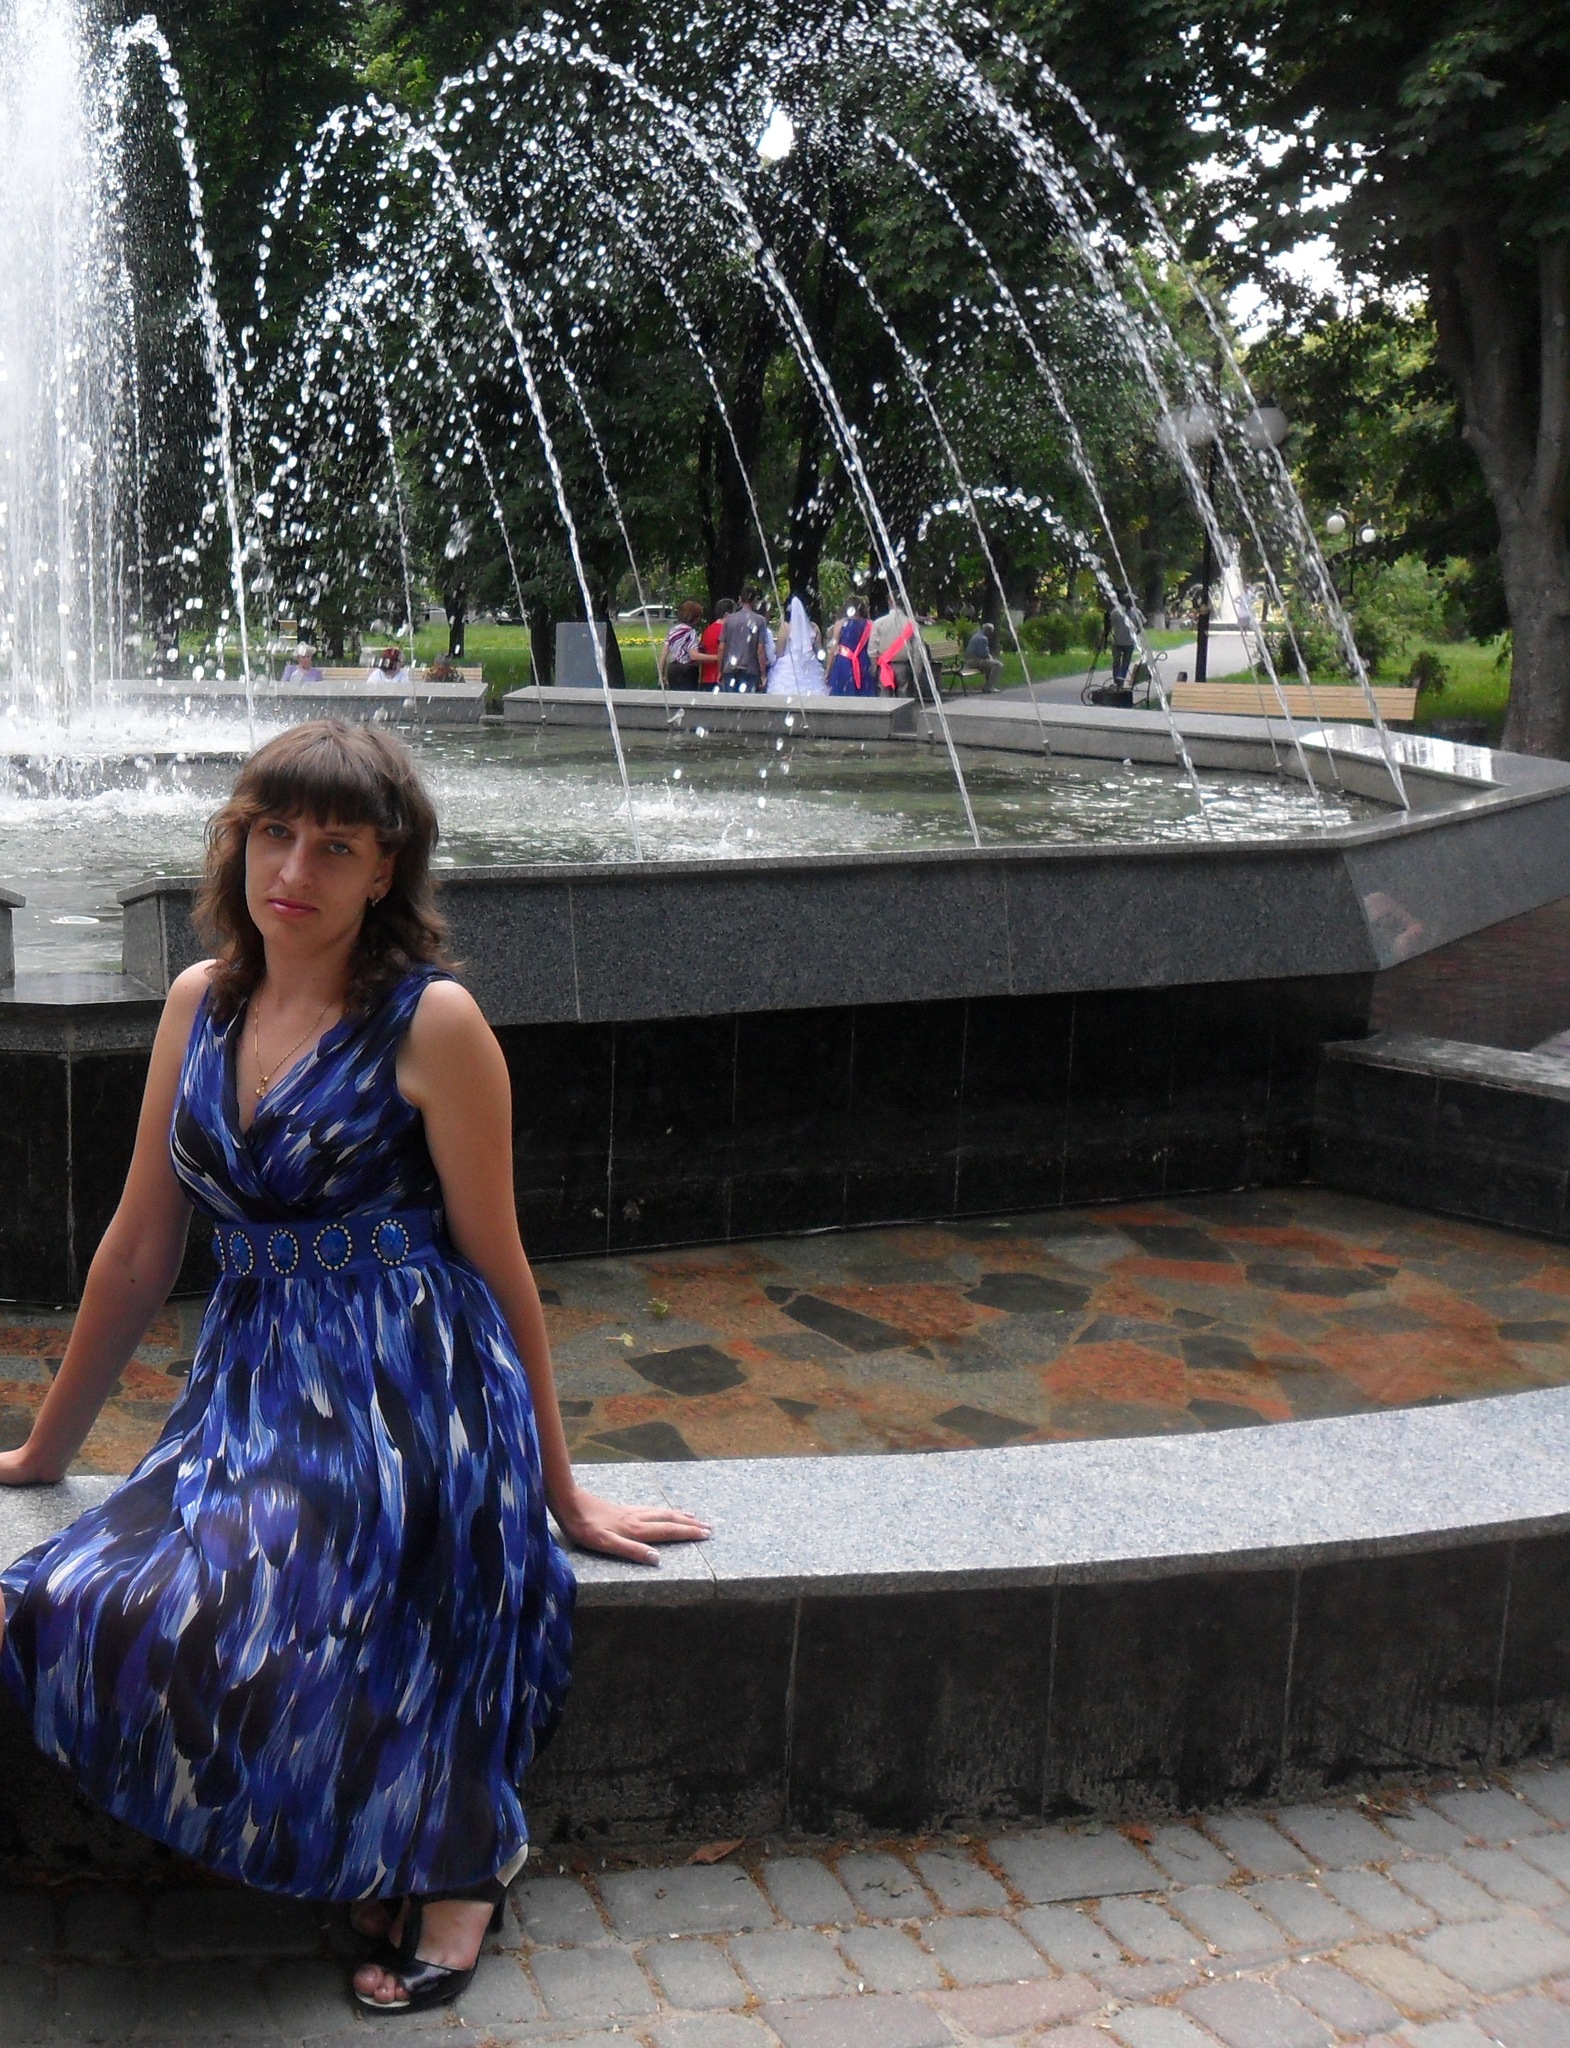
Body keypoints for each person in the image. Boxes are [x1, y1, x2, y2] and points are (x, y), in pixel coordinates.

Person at [0, 722, 708, 2018]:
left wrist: (557, 1488)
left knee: (259, 1598)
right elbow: (140, 1249)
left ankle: (459, 1860)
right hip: (253, 1392)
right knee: (70, 1597)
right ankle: (372, 1832)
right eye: (273, 832)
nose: (295, 869)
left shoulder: (432, 1022)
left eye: (336, 846)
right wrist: (43, 1451)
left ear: (386, 870)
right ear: (238, 843)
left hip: (410, 1391)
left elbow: (499, 1263)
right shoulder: (198, 1003)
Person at [766, 595, 827, 695]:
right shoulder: (814, 627)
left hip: (788, 666)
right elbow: (819, 650)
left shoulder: (786, 627)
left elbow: (780, 652)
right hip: (809, 664)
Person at [717, 585, 768, 693]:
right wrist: (763, 674)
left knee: (730, 702)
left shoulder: (729, 620)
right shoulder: (760, 621)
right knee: (747, 702)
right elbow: (760, 650)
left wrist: (720, 671)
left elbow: (721, 647)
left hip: (729, 669)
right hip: (750, 670)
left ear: (740, 599)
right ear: (755, 600)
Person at [869, 600, 922, 696]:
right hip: (903, 667)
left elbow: (872, 650)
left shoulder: (878, 623)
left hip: (884, 668)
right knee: (904, 699)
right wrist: (916, 673)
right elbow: (917, 651)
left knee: (885, 700)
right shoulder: (912, 625)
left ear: (889, 603)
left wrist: (874, 668)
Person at [824, 601, 874, 694]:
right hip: (863, 662)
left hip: (844, 663)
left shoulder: (840, 624)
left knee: (842, 695)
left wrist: (828, 671)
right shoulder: (870, 624)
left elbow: (833, 649)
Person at [660, 600, 705, 689]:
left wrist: (661, 674)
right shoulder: (690, 632)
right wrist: (716, 657)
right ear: (695, 618)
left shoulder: (672, 631)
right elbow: (693, 655)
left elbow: (664, 654)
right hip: (687, 669)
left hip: (673, 669)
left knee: (676, 695)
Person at [696, 599, 732, 689]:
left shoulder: (707, 630)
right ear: (727, 614)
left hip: (706, 676)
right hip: (719, 677)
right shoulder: (725, 630)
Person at [1108, 596, 1142, 687]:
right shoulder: (1116, 612)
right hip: (1118, 642)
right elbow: (1110, 625)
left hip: (1127, 642)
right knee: (1117, 662)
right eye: (1129, 601)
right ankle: (1118, 679)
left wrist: (1135, 633)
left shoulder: (1137, 613)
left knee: (1124, 663)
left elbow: (1140, 626)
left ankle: (1120, 680)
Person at [964, 622, 1003, 694]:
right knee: (997, 665)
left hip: (970, 660)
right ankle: (989, 687)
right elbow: (983, 653)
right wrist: (990, 657)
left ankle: (988, 686)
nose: (991, 634)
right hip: (975, 661)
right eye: (991, 631)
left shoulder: (976, 635)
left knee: (989, 665)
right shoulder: (983, 638)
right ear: (988, 630)